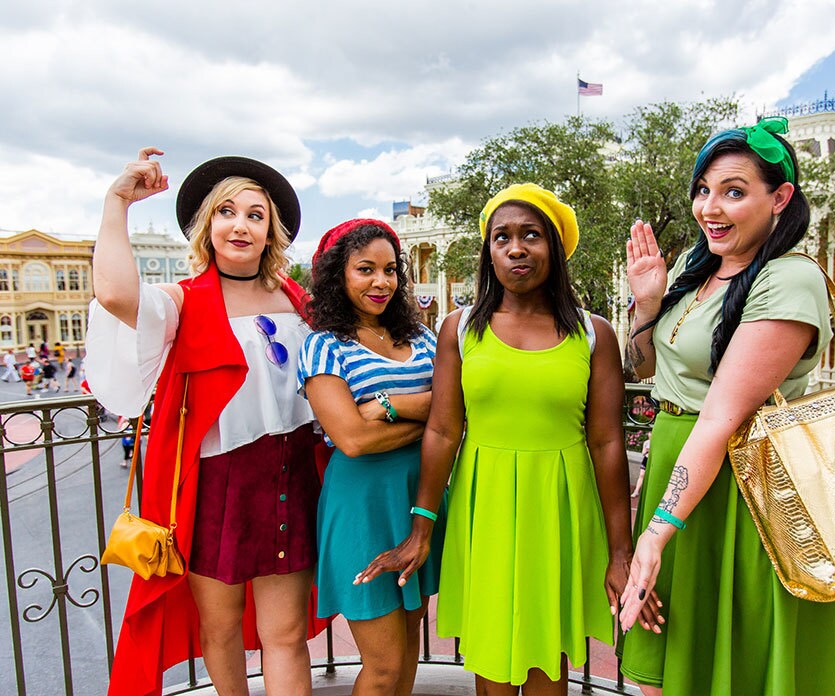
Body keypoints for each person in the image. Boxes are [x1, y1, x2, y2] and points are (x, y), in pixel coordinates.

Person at [358, 184, 660, 694]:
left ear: (555, 249)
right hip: (486, 508)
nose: (516, 248)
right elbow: (443, 429)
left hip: (560, 510)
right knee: (492, 660)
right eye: (502, 237)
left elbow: (608, 443)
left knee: (548, 660)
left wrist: (620, 551)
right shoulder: (459, 329)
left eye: (531, 235)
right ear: (489, 252)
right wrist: (422, 528)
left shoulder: (594, 334)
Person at [616, 117, 835, 695]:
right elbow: (646, 368)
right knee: (668, 660)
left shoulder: (788, 279)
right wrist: (648, 298)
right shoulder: (692, 269)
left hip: (747, 490)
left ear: (779, 198)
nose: (711, 207)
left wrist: (654, 534)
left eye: (734, 191)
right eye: (704, 190)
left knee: (741, 663)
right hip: (680, 475)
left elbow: (722, 418)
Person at [86, 148, 325, 696]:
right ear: (207, 225)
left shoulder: (297, 300)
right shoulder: (182, 301)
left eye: (255, 215)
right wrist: (117, 200)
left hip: (291, 479)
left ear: (271, 233)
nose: (240, 224)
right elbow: (117, 293)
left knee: (285, 635)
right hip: (215, 487)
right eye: (226, 211)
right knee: (219, 631)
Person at [298, 218, 446, 695]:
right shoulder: (323, 345)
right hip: (361, 505)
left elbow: (454, 413)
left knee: (406, 653)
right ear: (338, 275)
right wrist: (427, 421)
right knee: (382, 665)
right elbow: (353, 441)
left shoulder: (422, 339)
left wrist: (387, 406)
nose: (381, 282)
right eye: (365, 269)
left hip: (418, 501)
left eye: (389, 270)